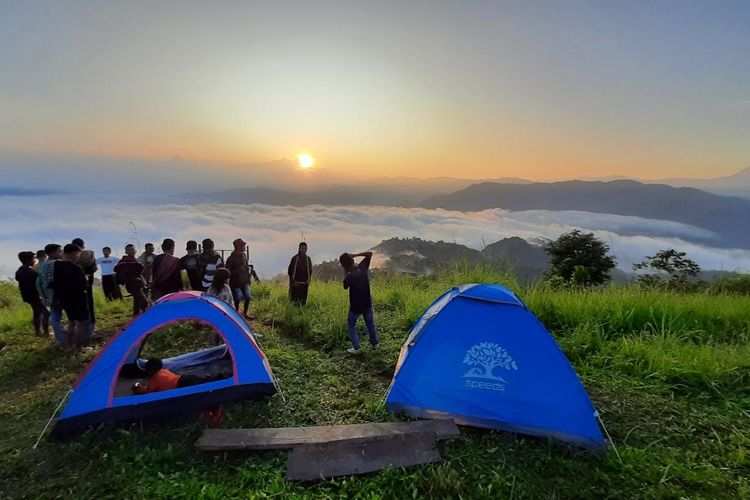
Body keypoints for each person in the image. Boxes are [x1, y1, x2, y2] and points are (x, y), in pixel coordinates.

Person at [340, 251, 379, 354]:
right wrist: (355, 255)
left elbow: (344, 286)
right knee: (370, 324)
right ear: (352, 261)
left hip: (355, 307)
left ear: (344, 265)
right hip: (367, 303)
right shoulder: (362, 267)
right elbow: (369, 254)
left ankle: (357, 347)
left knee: (351, 325)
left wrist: (346, 271)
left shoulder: (349, 277)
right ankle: (375, 344)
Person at [53, 243, 91, 349]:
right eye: (78, 253)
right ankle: (78, 347)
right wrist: (86, 279)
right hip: (78, 298)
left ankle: (70, 345)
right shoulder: (76, 268)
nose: (78, 256)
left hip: (63, 299)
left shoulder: (56, 266)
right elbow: (83, 285)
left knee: (71, 322)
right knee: (82, 323)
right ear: (74, 253)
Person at [36, 243, 65, 345]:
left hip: (49, 296)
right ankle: (65, 340)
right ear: (52, 253)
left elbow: (38, 283)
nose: (62, 253)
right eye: (60, 251)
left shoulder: (43, 265)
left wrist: (43, 296)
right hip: (61, 295)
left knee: (55, 317)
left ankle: (59, 340)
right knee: (64, 317)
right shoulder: (58, 264)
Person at [16, 251, 49, 336]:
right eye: (33, 258)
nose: (35, 260)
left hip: (27, 296)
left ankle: (38, 332)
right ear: (28, 260)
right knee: (46, 313)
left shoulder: (20, 271)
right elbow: (37, 284)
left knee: (37, 313)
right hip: (35, 295)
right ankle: (46, 332)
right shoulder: (30, 272)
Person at [226, 238, 260, 317]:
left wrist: (248, 279)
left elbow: (246, 267)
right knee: (237, 299)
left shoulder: (243, 255)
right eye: (243, 246)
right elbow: (228, 272)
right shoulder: (230, 259)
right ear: (238, 247)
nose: (244, 247)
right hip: (235, 283)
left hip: (244, 282)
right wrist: (238, 270)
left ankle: (245, 313)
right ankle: (236, 314)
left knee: (248, 297)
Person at [72, 238, 97, 339]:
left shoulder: (69, 255)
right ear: (83, 245)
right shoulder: (90, 253)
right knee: (89, 304)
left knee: (75, 307)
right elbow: (94, 267)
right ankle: (91, 329)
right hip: (87, 282)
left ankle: (77, 329)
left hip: (73, 283)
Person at [115, 244, 148, 316]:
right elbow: (118, 273)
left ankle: (136, 316)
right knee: (143, 302)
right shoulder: (123, 261)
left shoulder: (135, 261)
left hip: (138, 282)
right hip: (131, 283)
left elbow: (139, 272)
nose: (131, 251)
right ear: (126, 252)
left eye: (132, 250)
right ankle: (147, 315)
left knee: (137, 300)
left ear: (135, 251)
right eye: (129, 250)